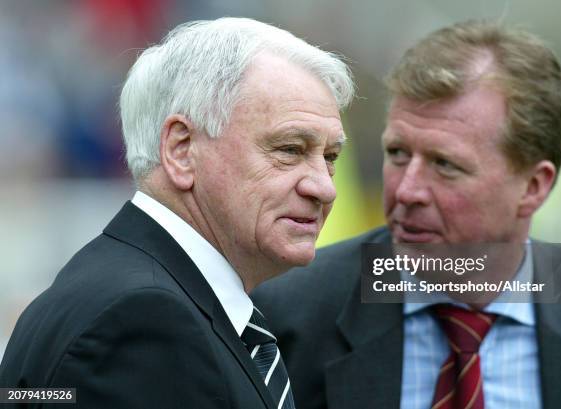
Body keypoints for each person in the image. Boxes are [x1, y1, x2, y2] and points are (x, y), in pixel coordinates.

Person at [252, 20, 561, 409]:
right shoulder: (287, 315)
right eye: (398, 154)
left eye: (445, 164)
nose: (407, 190)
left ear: (533, 186)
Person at [0, 18, 354, 408]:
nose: (324, 187)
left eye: (330, 157)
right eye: (289, 149)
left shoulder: (136, 291)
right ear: (181, 150)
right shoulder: (144, 319)